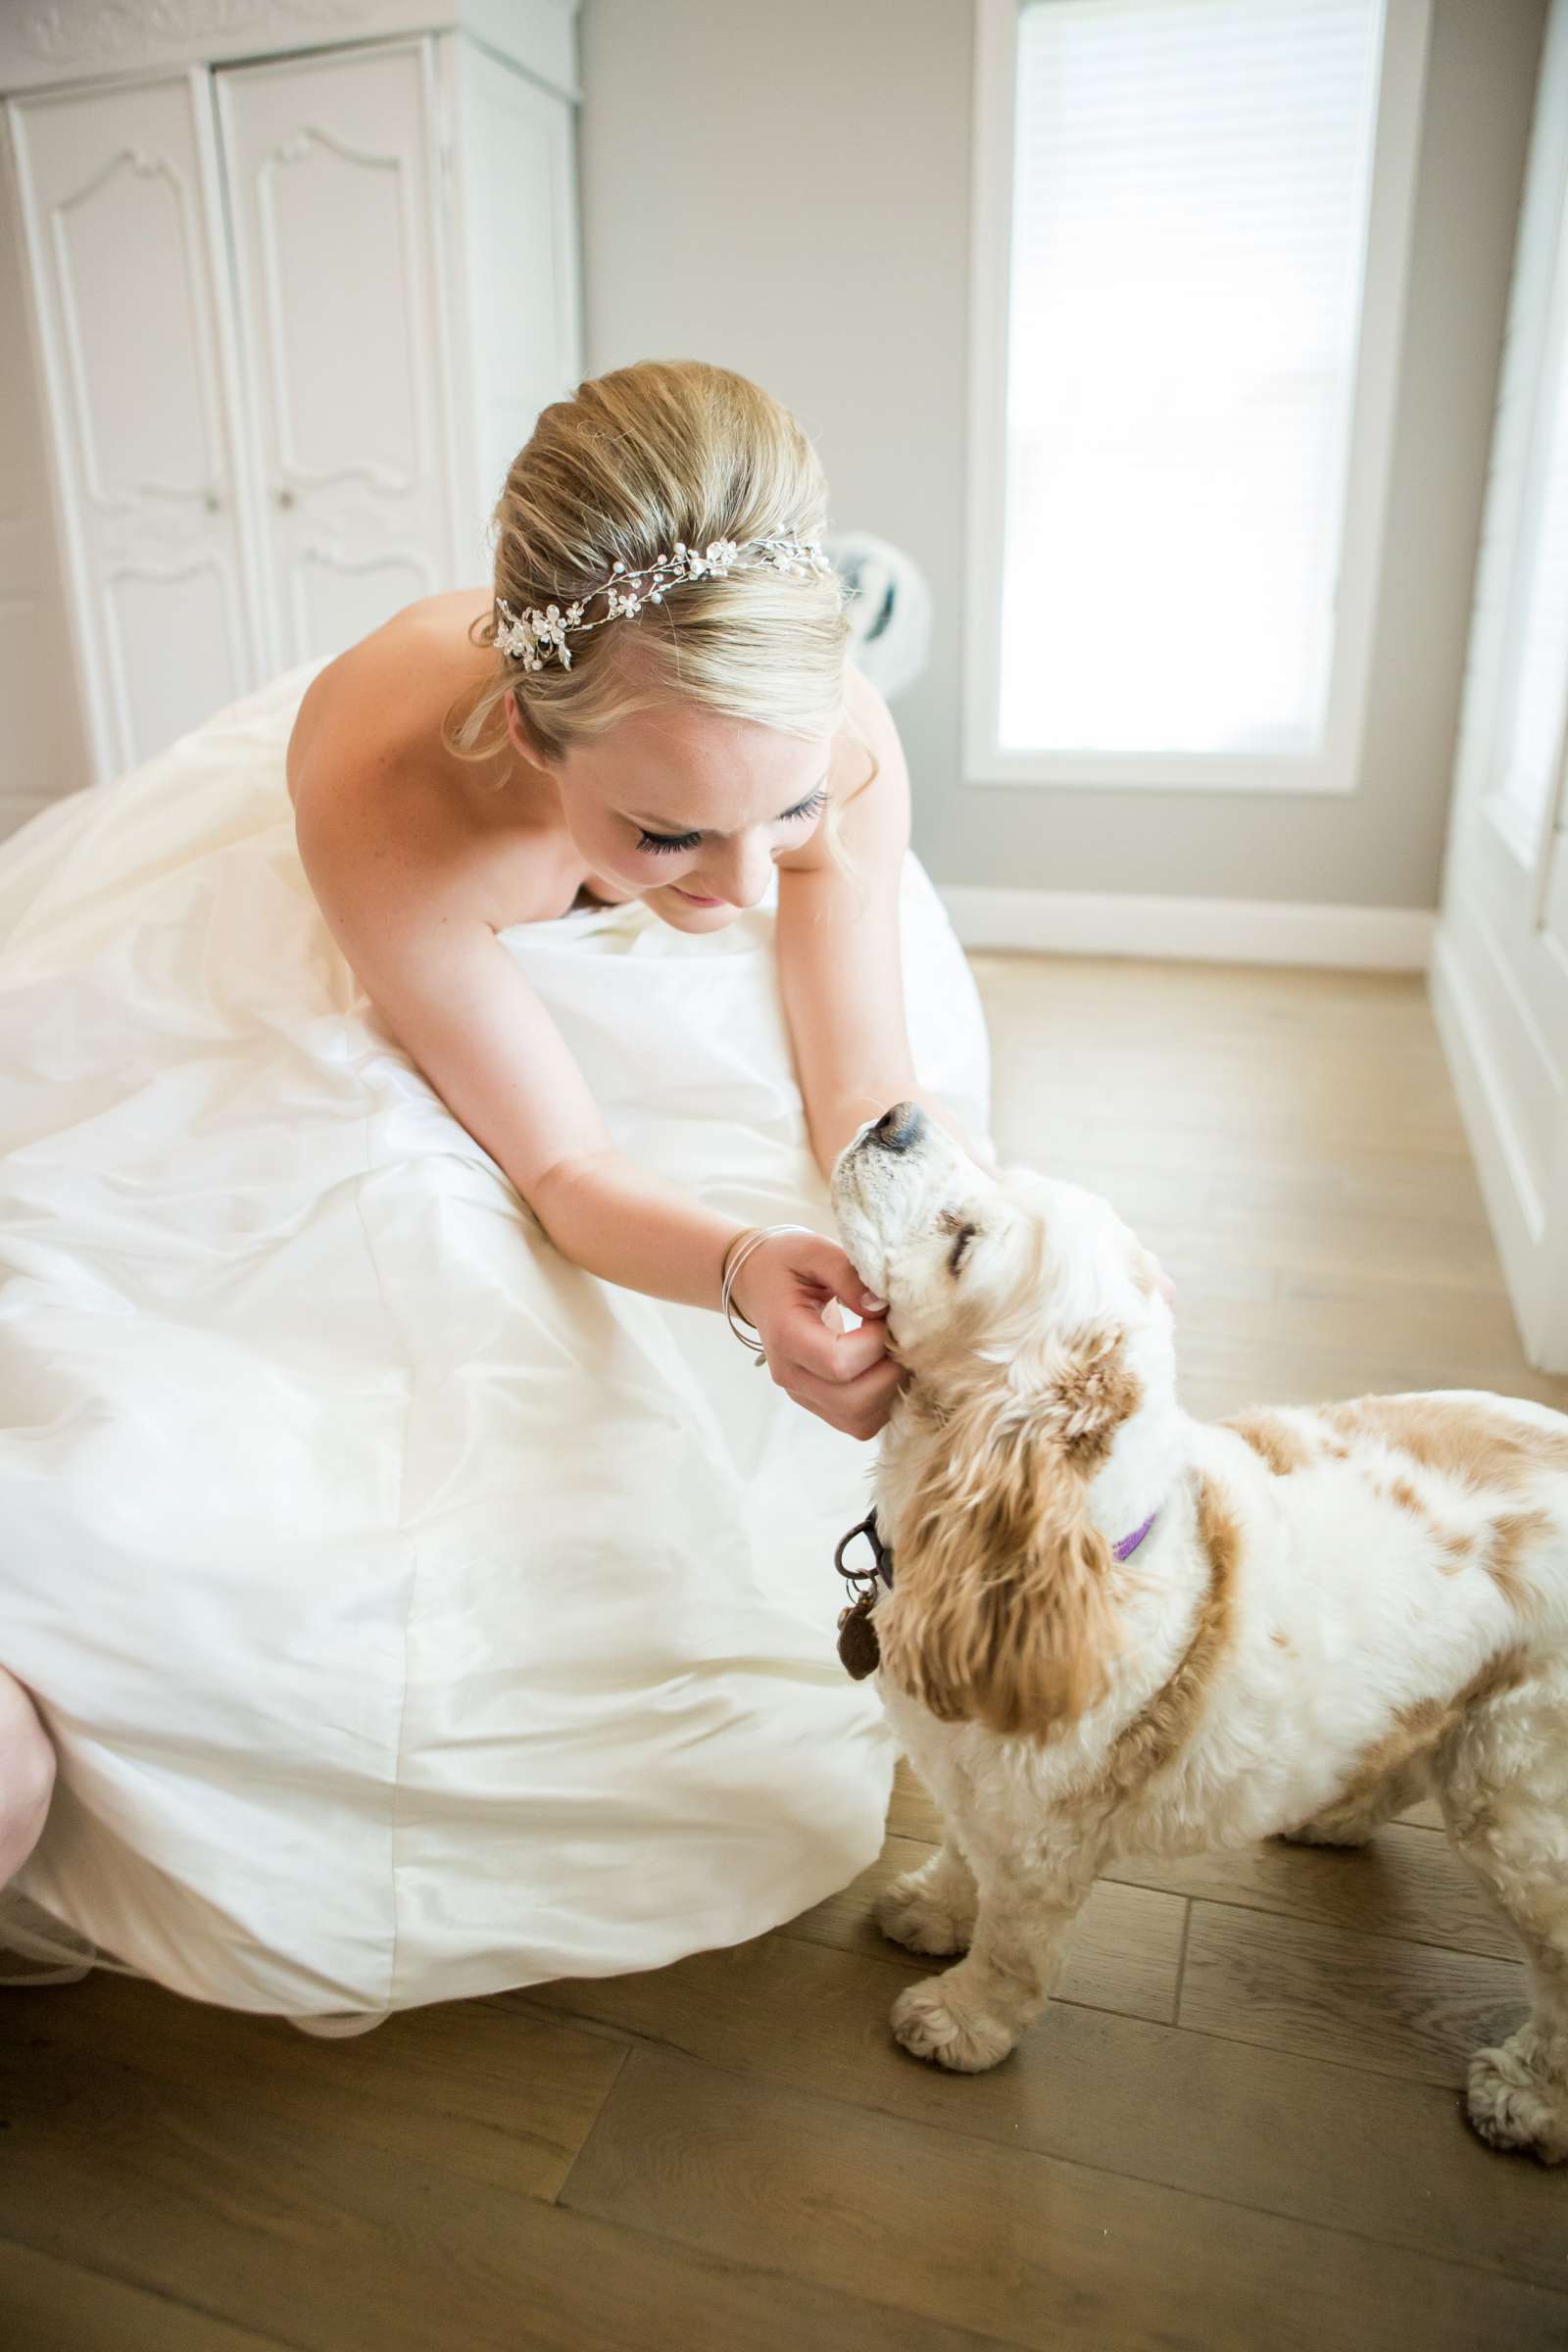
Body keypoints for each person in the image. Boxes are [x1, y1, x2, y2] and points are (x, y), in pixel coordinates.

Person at [0, 360, 992, 2024]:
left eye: (795, 811)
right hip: (399, 933)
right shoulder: (396, 803)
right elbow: (562, 1166)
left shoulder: (801, 746)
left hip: (608, 872)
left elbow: (860, 1090)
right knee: (368, 1313)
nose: (753, 892)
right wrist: (743, 1266)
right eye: (675, 833)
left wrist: (983, 1258)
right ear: (538, 729)